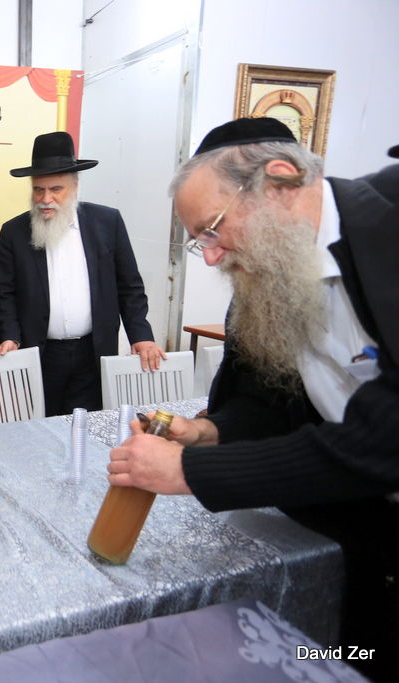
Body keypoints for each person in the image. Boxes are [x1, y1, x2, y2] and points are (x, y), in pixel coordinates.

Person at [107, 119, 399, 678]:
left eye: (213, 229)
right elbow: (272, 402)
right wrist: (207, 432)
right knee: (348, 658)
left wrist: (190, 471)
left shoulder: (388, 227)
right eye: (200, 241)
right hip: (358, 538)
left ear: (281, 180)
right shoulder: (270, 277)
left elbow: (384, 436)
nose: (211, 258)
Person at [0, 132, 165, 415]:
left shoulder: (107, 222)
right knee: (40, 426)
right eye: (38, 190)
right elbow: (4, 294)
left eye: (56, 189)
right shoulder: (14, 231)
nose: (45, 199)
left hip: (93, 352)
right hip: (40, 354)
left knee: (86, 426)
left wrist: (141, 335)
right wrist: (11, 335)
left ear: (75, 186)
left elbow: (130, 286)